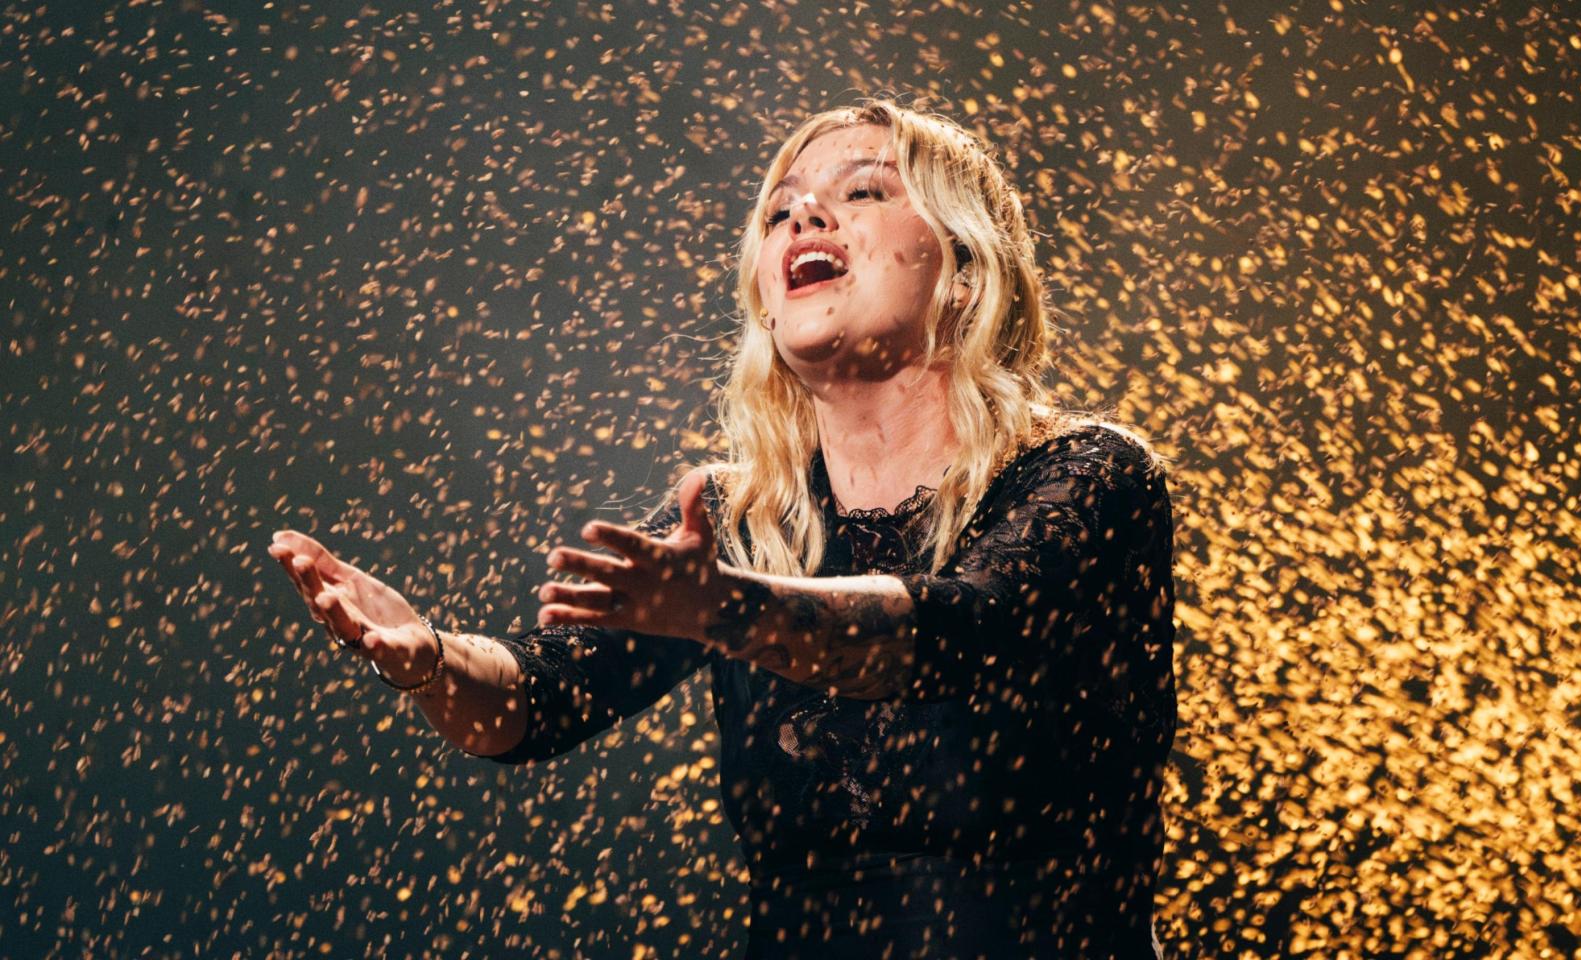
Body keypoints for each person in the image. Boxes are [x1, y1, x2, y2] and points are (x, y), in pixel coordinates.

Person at [269, 98, 1177, 959]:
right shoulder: (743, 523)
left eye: (862, 191)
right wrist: (431, 656)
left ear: (967, 266)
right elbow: (538, 702)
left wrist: (725, 611)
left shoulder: (1087, 476)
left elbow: (954, 629)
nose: (805, 218)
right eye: (781, 212)